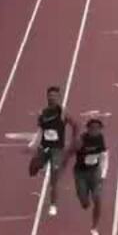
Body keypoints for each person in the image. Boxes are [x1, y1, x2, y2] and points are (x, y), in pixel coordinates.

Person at [29, 86, 76, 217]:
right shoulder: (42, 113)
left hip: (57, 149)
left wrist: (73, 142)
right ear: (47, 97)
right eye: (50, 95)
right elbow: (40, 130)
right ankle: (39, 166)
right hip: (44, 147)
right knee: (32, 170)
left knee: (54, 178)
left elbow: (75, 125)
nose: (52, 98)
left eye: (55, 96)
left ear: (58, 98)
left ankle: (53, 205)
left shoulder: (63, 113)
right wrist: (33, 144)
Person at [68, 118, 108, 235]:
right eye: (93, 128)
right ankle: (83, 197)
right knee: (85, 203)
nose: (96, 131)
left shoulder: (100, 138)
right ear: (88, 129)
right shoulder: (81, 140)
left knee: (98, 199)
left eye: (98, 128)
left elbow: (104, 156)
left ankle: (94, 227)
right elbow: (70, 152)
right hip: (81, 173)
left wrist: (103, 175)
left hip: (95, 172)